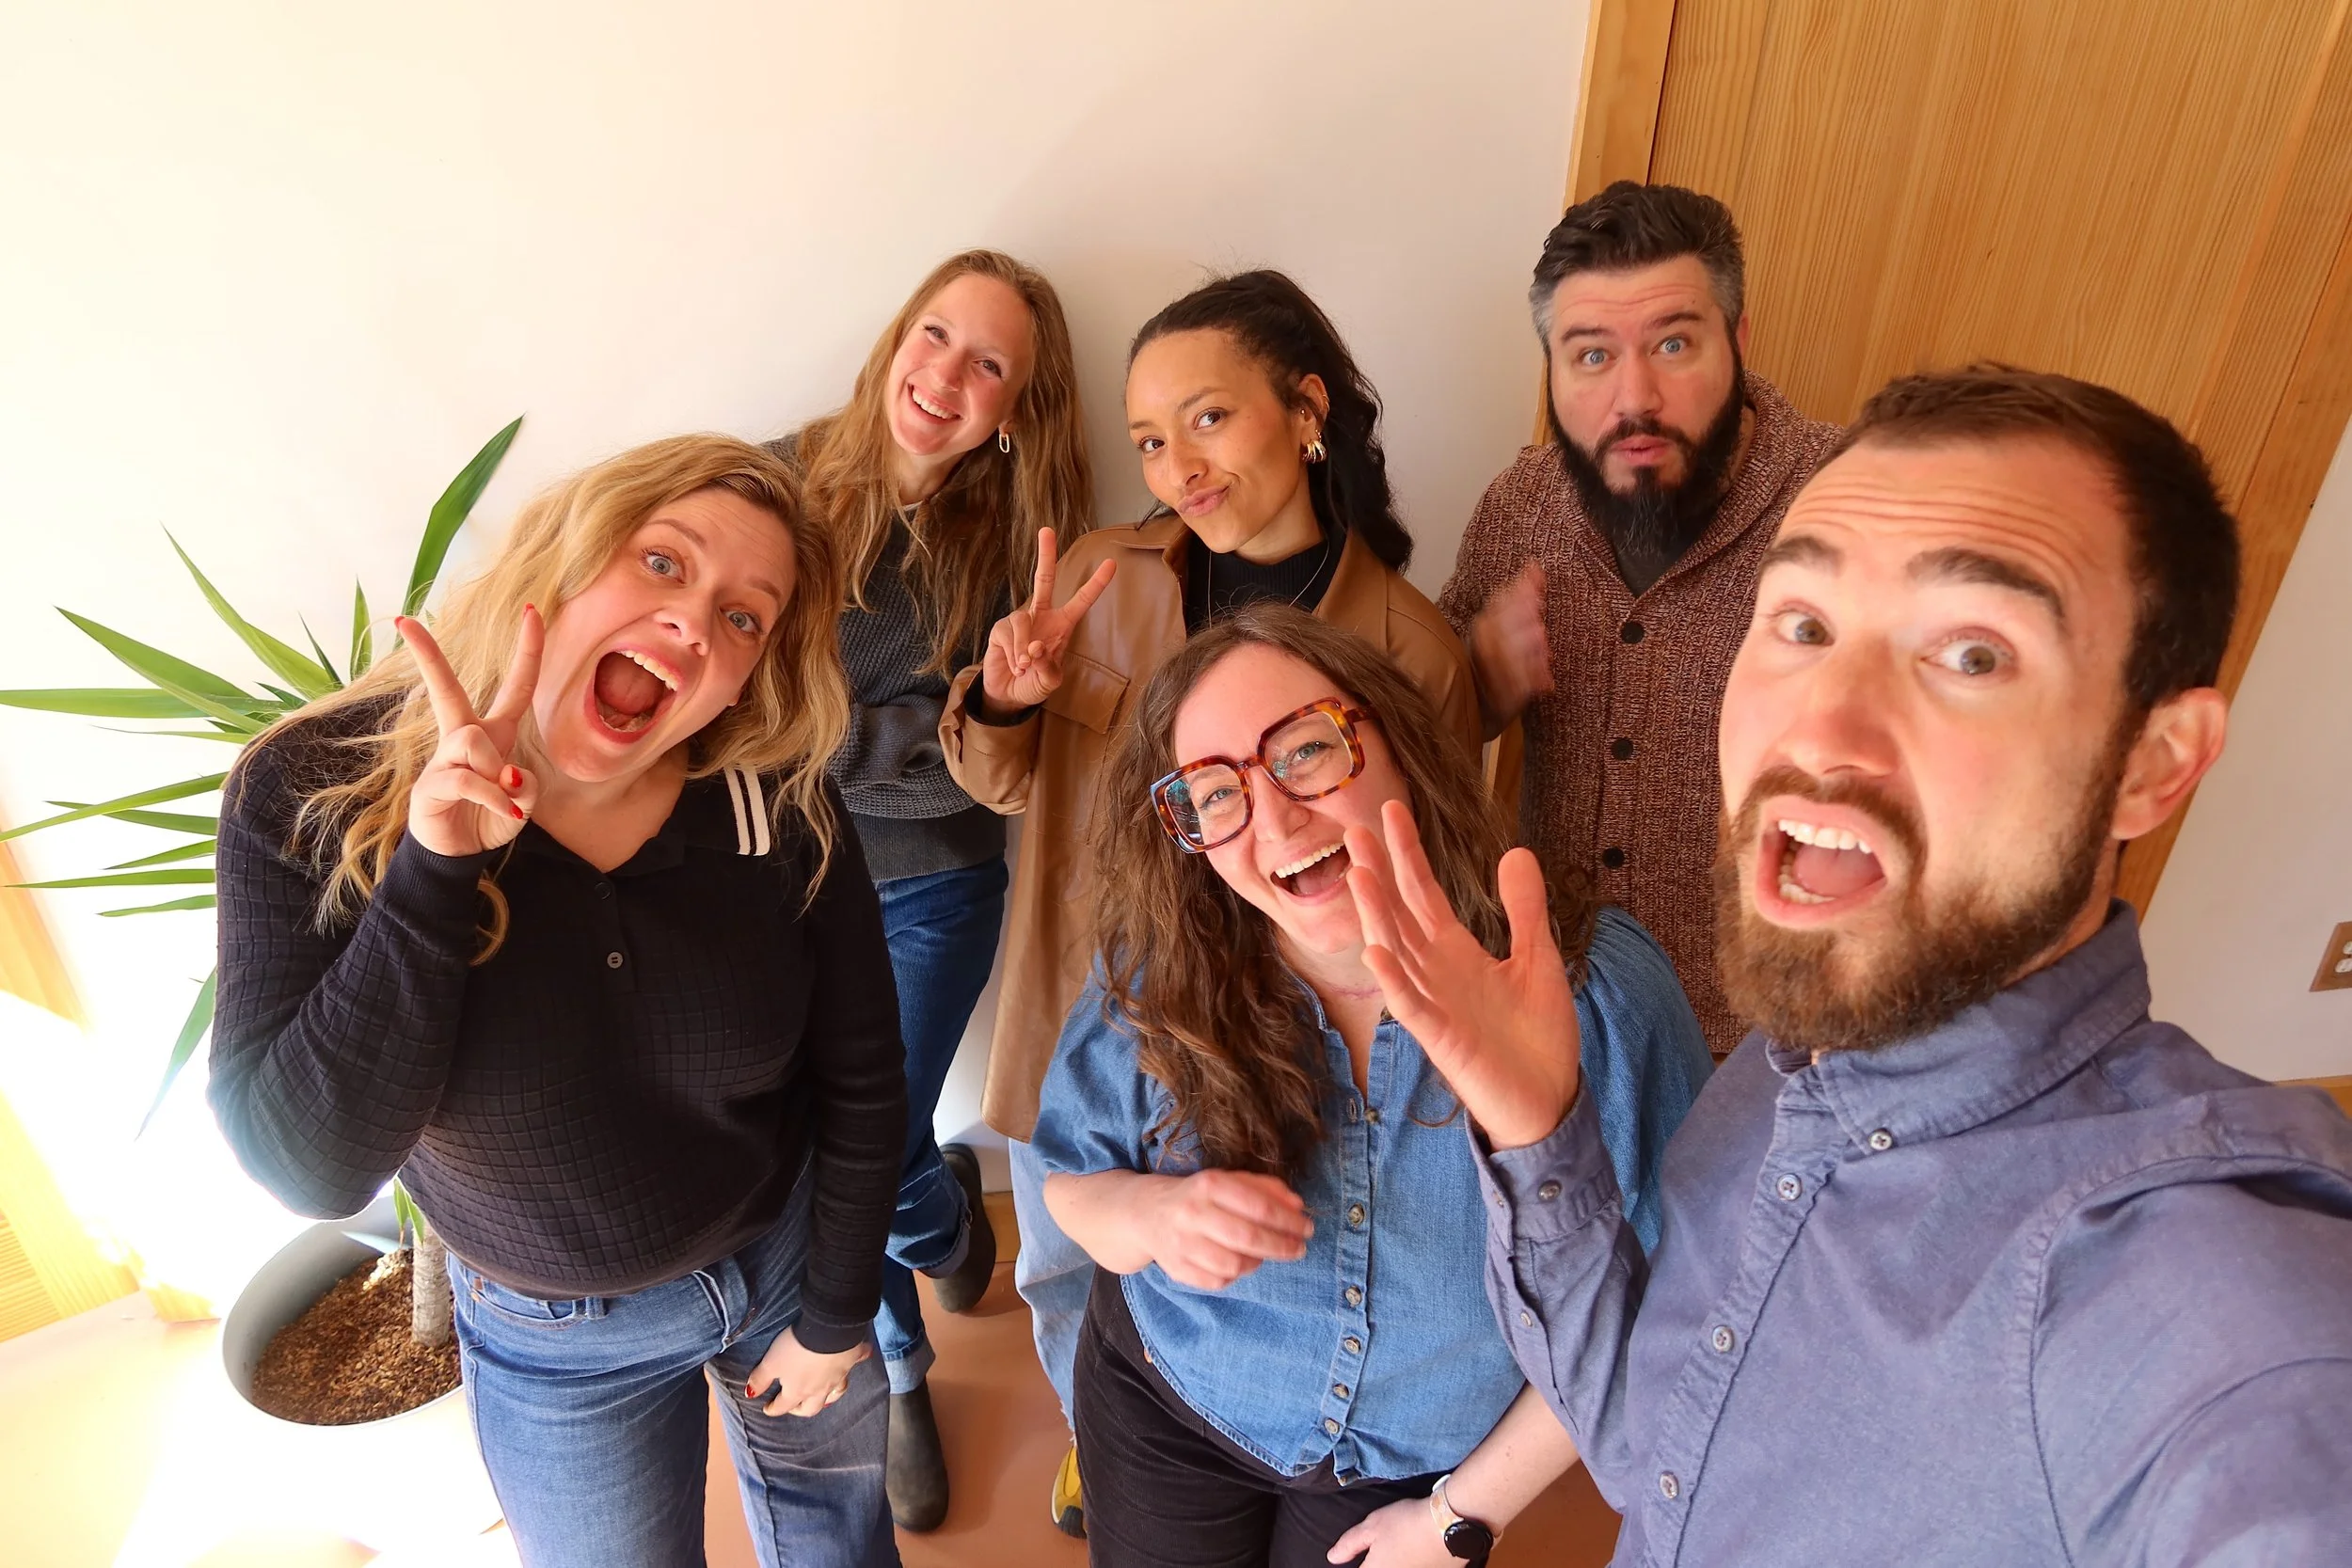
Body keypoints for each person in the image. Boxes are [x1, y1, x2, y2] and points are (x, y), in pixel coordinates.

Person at [1349, 368, 2352, 1564]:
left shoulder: (2203, 1290)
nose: (1820, 725)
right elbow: (1653, 1445)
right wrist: (1537, 1129)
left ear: (2155, 760)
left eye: (1971, 652)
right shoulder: (1781, 1071)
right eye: (1803, 625)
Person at [210, 436, 905, 1568]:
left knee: (843, 1543)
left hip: (780, 1262)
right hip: (554, 1340)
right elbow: (311, 1167)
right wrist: (436, 869)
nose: (695, 622)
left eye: (743, 616)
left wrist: (836, 1311)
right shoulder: (313, 786)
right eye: (663, 562)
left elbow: (863, 1074)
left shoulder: (766, 791)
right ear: (563, 559)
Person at [941, 270, 1482, 1536]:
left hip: (1263, 1040)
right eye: (1148, 439)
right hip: (1079, 998)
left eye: (1207, 418)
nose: (1176, 466)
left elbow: (1430, 865)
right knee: (1066, 1260)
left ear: (1305, 411)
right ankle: (1101, 1434)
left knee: (1249, 1276)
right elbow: (997, 781)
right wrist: (1006, 696)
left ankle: (1228, 1441)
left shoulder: (1408, 643)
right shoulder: (1100, 578)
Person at [1032, 604, 1711, 1568]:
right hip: (1171, 1406)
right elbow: (1069, 1183)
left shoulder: (1595, 989)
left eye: (1305, 750)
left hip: (1419, 1469)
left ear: (1396, 743)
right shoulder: (1161, 971)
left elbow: (1655, 1302)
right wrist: (1151, 1215)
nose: (1274, 818)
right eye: (1215, 793)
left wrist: (1459, 1517)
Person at [772, 247, 1092, 1530]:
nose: (947, 375)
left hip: (933, 883)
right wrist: (911, 728)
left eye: (989, 363)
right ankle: (908, 1356)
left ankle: (943, 1227)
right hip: (783, 879)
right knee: (827, 1149)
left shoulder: (1020, 547)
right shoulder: (773, 487)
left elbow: (984, 771)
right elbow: (749, 719)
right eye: (937, 334)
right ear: (897, 334)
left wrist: (956, 715)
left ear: (1014, 406)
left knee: (863, 1146)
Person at [1437, 181, 1841, 1056]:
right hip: (1555, 1013)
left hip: (1766, 1045)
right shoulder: (1521, 506)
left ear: (1737, 340)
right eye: (1591, 355)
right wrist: (1478, 682)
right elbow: (1425, 733)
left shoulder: (1842, 503)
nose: (1635, 398)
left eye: (1673, 343)